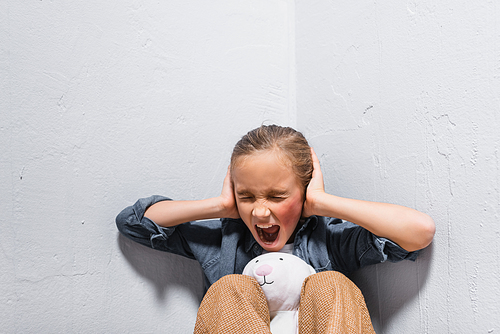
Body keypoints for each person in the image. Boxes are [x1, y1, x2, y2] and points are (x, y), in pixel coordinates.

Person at [116, 125, 435, 333]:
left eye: (276, 196)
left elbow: (419, 231)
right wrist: (222, 207)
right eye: (247, 196)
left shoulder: (330, 242)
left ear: (303, 192)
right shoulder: (222, 241)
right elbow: (133, 222)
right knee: (228, 289)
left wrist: (323, 203)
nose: (260, 210)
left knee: (332, 285)